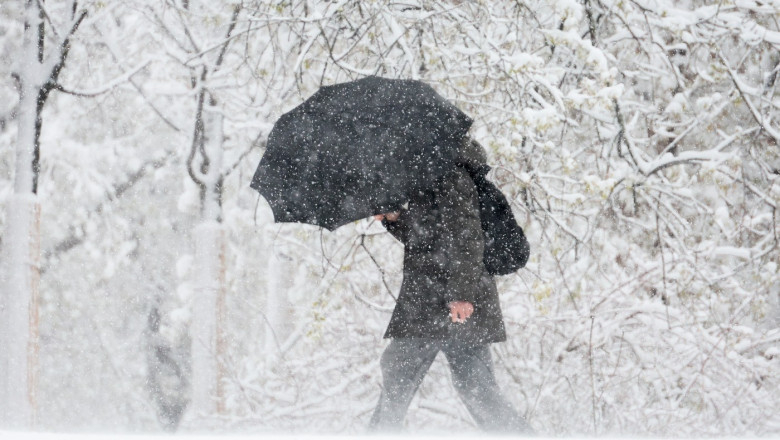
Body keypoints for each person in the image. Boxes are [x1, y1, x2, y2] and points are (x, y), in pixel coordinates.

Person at [369, 138, 533, 434]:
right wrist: (394, 219)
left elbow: (468, 238)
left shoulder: (450, 177)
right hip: (439, 299)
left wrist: (461, 295)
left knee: (400, 374)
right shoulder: (433, 179)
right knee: (476, 389)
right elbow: (426, 239)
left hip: (445, 301)